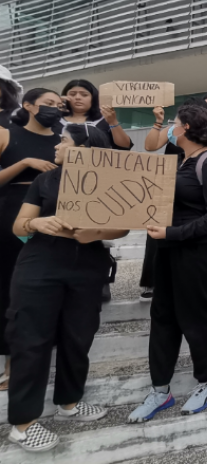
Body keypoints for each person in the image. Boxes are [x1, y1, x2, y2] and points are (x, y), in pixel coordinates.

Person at [6, 125, 124, 452]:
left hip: (88, 268)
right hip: (40, 265)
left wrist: (96, 230)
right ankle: (23, 424)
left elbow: (122, 228)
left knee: (78, 337)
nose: (57, 145)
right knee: (31, 339)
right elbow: (19, 224)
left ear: (85, 148)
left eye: (63, 140)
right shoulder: (46, 181)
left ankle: (69, 402)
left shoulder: (111, 181)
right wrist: (36, 223)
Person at [128, 105, 207, 422]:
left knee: (196, 317)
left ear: (185, 128)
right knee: (163, 317)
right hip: (169, 250)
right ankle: (161, 390)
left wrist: (173, 232)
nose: (170, 129)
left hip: (198, 251)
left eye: (174, 124)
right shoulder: (182, 162)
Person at [0, 88, 62, 391]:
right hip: (10, 215)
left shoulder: (66, 137)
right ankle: (11, 361)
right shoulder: (6, 133)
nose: (55, 109)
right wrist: (25, 163)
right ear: (28, 105)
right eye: (48, 104)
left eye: (59, 105)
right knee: (10, 290)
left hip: (53, 218)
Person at [140, 98, 207, 299]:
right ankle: (152, 281)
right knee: (157, 235)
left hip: (190, 192)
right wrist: (158, 122)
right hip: (168, 185)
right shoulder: (173, 131)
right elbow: (150, 146)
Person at [59, 79, 133, 150]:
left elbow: (125, 145)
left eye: (84, 95)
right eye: (72, 94)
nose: (77, 97)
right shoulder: (56, 119)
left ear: (93, 98)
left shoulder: (104, 120)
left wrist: (113, 122)